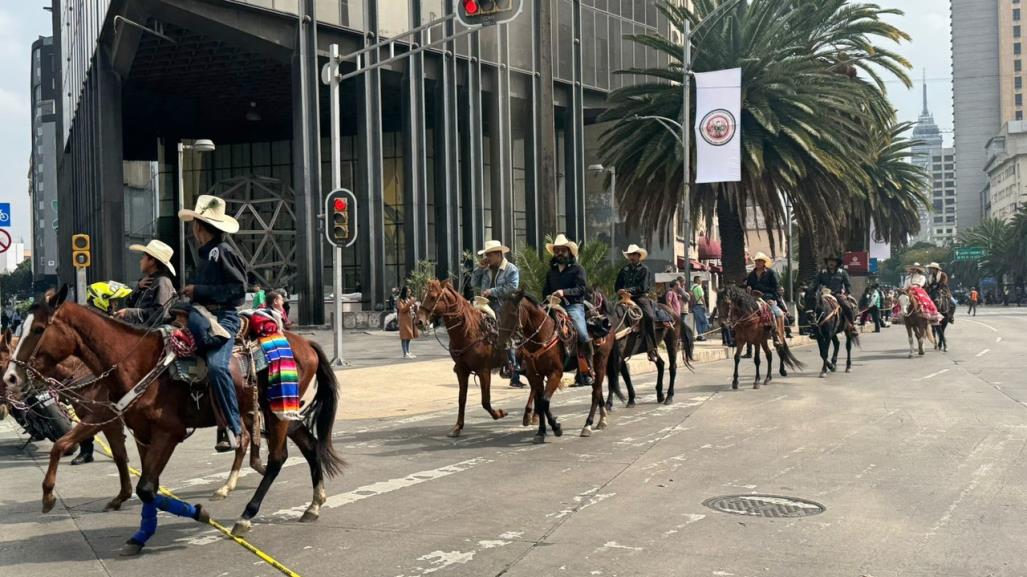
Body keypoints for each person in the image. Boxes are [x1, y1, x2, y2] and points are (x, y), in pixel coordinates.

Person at [179, 195, 248, 452]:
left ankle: (234, 427)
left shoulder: (223, 252)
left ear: (200, 227)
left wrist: (198, 290)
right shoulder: (207, 254)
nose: (193, 230)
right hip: (204, 316)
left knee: (218, 367)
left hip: (223, 319)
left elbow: (238, 291)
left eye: (194, 225)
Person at [542, 234, 593, 385]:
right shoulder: (551, 272)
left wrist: (564, 292)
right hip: (553, 305)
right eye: (557, 250)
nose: (559, 253)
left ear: (569, 252)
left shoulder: (578, 269)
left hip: (573, 305)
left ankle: (588, 369)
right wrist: (547, 298)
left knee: (582, 334)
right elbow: (545, 291)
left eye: (562, 250)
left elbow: (581, 289)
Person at [471, 240, 523, 387]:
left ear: (498, 254)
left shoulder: (511, 269)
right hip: (484, 305)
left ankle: (514, 371)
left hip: (503, 307)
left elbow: (512, 288)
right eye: (486, 255)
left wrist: (492, 291)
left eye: (490, 255)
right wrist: (479, 269)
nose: (487, 258)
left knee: (506, 336)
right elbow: (473, 283)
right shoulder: (486, 268)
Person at [115, 240, 178, 326]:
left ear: (152, 261)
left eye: (143, 257)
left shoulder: (163, 282)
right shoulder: (148, 281)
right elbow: (129, 303)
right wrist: (139, 288)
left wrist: (129, 313)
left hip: (150, 336)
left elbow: (159, 314)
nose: (140, 261)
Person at [615, 244, 657, 359]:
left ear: (639, 256)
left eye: (633, 255)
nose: (631, 257)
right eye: (630, 255)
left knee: (649, 317)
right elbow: (617, 285)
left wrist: (628, 290)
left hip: (639, 298)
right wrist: (619, 291)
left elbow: (643, 287)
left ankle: (652, 348)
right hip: (624, 298)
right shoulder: (624, 270)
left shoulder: (644, 270)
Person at [744, 252, 785, 343]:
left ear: (764, 262)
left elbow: (776, 287)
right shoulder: (751, 275)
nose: (758, 263)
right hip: (753, 298)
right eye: (756, 261)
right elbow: (748, 285)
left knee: (778, 313)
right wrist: (748, 288)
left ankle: (777, 335)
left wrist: (773, 299)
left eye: (760, 261)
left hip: (768, 297)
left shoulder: (771, 273)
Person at [816, 255, 855, 327]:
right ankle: (812, 328)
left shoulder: (842, 272)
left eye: (833, 261)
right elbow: (816, 283)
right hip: (823, 295)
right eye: (829, 261)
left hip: (837, 295)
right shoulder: (822, 272)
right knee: (811, 307)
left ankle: (852, 326)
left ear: (837, 263)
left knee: (847, 307)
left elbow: (848, 285)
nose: (831, 263)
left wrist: (846, 294)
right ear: (827, 262)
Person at [396, 286, 418, 359]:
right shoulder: (399, 300)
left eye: (410, 291)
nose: (409, 293)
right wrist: (409, 304)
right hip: (404, 320)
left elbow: (412, 308)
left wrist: (415, 306)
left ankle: (408, 351)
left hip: (410, 320)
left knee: (409, 336)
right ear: (404, 292)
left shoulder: (409, 299)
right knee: (404, 337)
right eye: (408, 291)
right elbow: (402, 309)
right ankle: (405, 353)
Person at [690, 276, 709, 341]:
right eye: (700, 279)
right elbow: (702, 298)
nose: (701, 281)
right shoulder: (698, 287)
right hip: (699, 305)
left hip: (694, 306)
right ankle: (702, 335)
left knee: (698, 322)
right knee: (704, 321)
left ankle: (699, 335)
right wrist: (705, 306)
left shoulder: (692, 288)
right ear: (697, 280)